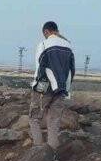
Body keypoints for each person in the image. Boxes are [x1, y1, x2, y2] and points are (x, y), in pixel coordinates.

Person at [29, 21, 75, 149]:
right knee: (54, 121)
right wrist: (65, 89)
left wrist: (37, 87)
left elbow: (40, 68)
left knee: (34, 117)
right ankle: (52, 153)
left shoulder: (44, 44)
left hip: (44, 86)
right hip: (61, 89)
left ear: (46, 32)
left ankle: (38, 149)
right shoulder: (68, 46)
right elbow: (72, 71)